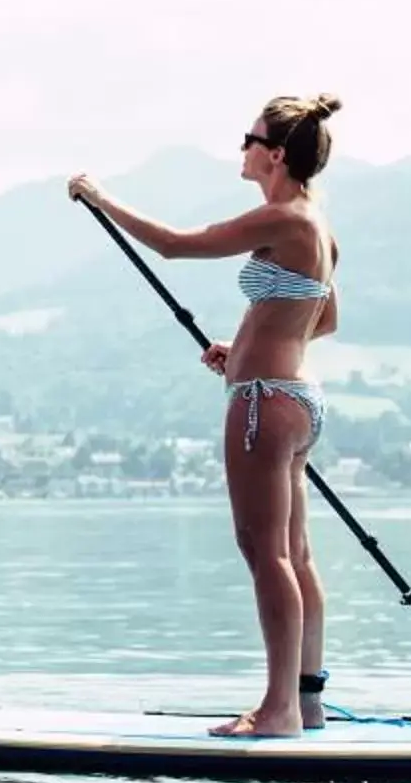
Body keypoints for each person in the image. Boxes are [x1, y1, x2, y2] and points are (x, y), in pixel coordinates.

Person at [69, 95, 343, 737]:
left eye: (249, 138)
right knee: (295, 553)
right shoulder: (318, 226)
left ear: (276, 155)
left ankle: (277, 713)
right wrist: (245, 345)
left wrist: (101, 198)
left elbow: (173, 245)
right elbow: (323, 318)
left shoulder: (282, 217)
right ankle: (306, 702)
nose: (241, 148)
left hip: (262, 405)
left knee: (265, 552)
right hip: (296, 399)